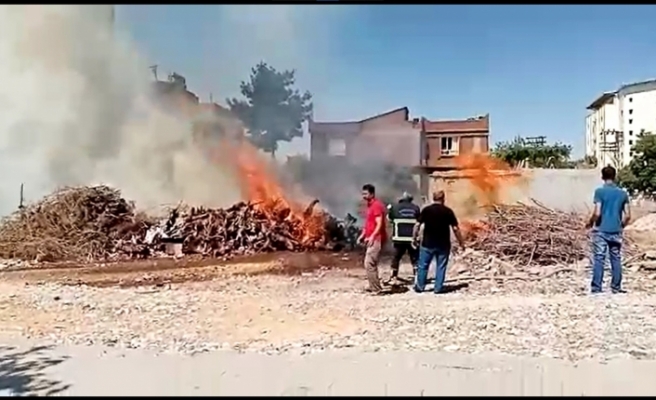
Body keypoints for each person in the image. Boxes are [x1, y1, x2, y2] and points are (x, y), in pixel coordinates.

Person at [586, 165, 631, 294]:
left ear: (602, 176)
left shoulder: (599, 192)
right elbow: (628, 215)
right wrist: (620, 225)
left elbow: (597, 213)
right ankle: (616, 287)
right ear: (614, 176)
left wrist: (590, 223)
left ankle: (596, 288)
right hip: (616, 230)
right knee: (616, 258)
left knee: (599, 258)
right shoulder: (623, 193)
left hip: (601, 230)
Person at [412, 190, 465, 294]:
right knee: (441, 266)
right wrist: (461, 242)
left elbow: (417, 225)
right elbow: (455, 228)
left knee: (423, 265)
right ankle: (438, 288)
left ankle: (420, 287)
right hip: (443, 244)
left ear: (433, 198)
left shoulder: (426, 210)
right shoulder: (448, 211)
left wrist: (414, 238)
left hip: (427, 243)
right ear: (443, 199)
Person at [357, 183, 388, 294]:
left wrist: (372, 237)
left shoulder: (377, 206)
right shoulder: (369, 205)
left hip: (377, 239)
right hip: (371, 238)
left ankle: (376, 288)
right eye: (363, 193)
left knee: (369, 263)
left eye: (366, 193)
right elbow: (369, 223)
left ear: (372, 194)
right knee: (370, 263)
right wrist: (363, 235)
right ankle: (373, 286)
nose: (363, 196)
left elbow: (379, 224)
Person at [386, 192, 420, 284]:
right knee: (414, 258)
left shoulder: (395, 207)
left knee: (396, 257)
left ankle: (393, 276)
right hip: (411, 239)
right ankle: (417, 276)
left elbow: (389, 219)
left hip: (399, 238)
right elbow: (419, 222)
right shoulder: (416, 208)